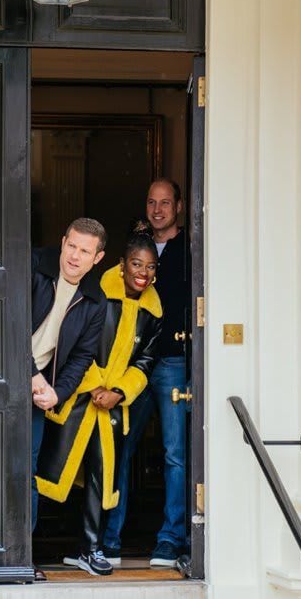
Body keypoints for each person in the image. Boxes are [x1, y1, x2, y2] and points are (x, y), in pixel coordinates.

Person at [36, 225, 162, 576]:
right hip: (74, 397)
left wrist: (119, 392)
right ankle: (28, 546)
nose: (143, 273)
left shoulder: (154, 313)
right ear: (121, 264)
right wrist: (92, 386)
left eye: (150, 267)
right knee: (49, 470)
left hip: (111, 408)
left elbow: (145, 362)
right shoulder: (95, 292)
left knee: (99, 476)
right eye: (137, 264)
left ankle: (89, 548)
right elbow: (76, 342)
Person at [101, 179, 191, 569]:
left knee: (175, 454)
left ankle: (170, 540)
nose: (158, 209)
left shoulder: (192, 248)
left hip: (172, 362)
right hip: (130, 366)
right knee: (119, 450)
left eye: (165, 203)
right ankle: (108, 541)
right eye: (152, 202)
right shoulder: (131, 250)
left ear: (179, 207)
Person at [30, 218, 108, 539]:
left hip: (36, 394)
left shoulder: (94, 300)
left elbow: (81, 358)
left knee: (25, 472)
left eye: (85, 251)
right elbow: (7, 322)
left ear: (97, 258)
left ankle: (21, 556)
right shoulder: (33, 267)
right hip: (2, 377)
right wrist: (31, 372)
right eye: (71, 246)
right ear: (62, 242)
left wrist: (58, 394)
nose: (74, 256)